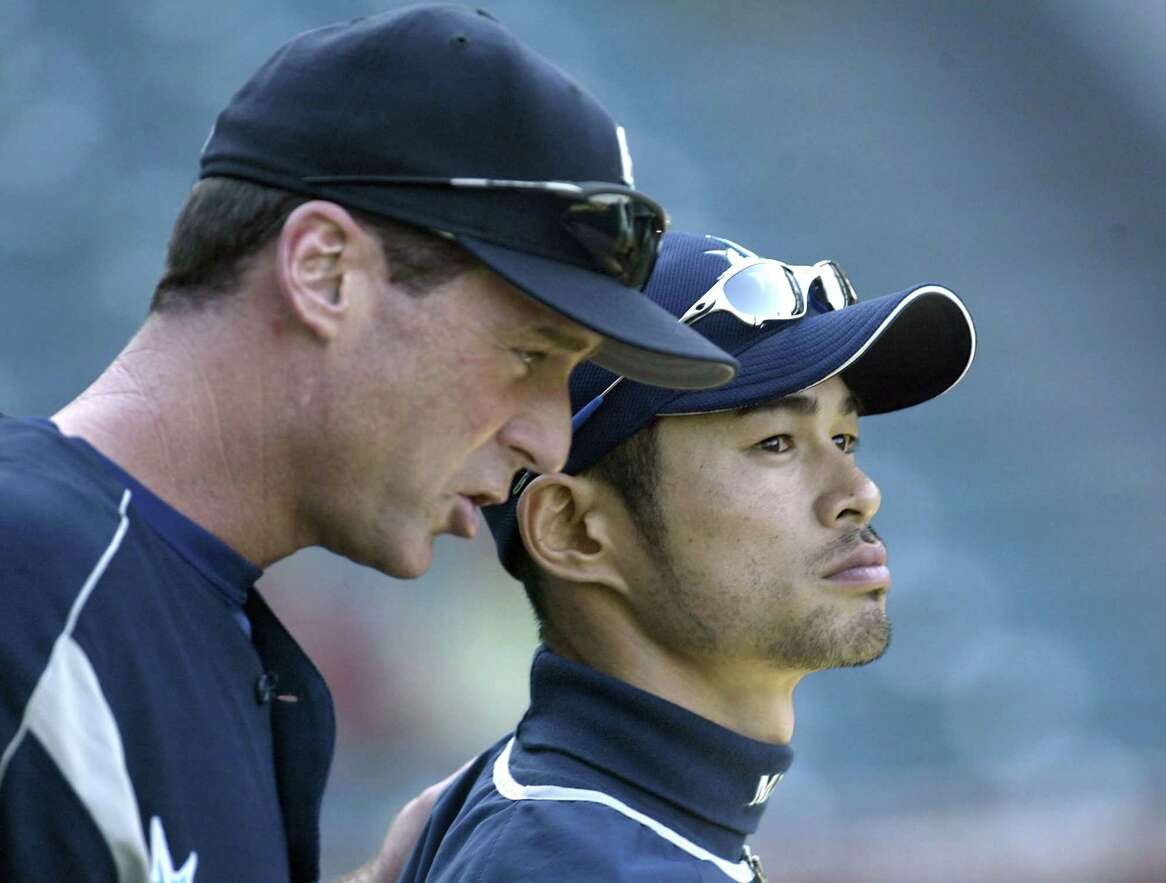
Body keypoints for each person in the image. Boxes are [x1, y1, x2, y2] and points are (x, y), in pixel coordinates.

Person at [0, 8, 738, 883]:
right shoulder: (24, 577)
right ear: (324, 271)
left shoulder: (219, 638)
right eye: (529, 354)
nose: (547, 438)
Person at [399, 231, 977, 881]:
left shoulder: (590, 824)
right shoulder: (581, 859)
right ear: (575, 528)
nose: (860, 493)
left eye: (843, 437)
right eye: (776, 442)